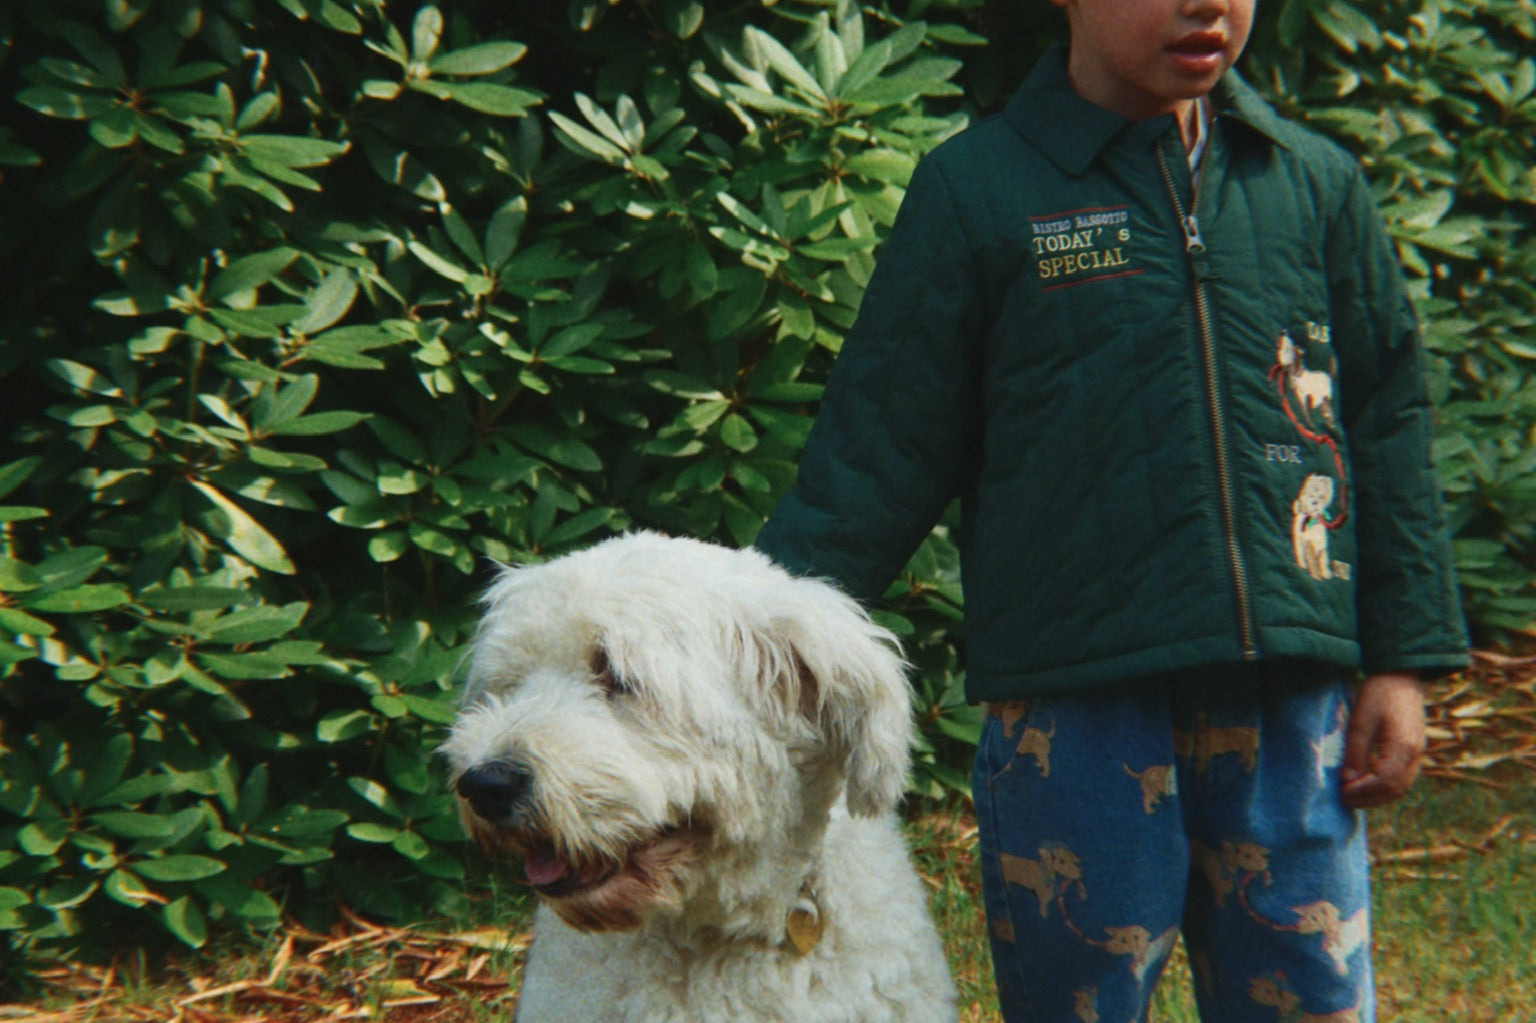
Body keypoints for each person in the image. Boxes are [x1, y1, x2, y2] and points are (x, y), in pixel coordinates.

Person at [753, 0, 1469, 1020]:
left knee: (1310, 998)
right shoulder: (980, 190)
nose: (1206, 4)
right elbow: (879, 448)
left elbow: (1385, 422)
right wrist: (758, 645)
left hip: (1290, 703)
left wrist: (1401, 659)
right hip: (1073, 713)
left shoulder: (1311, 183)